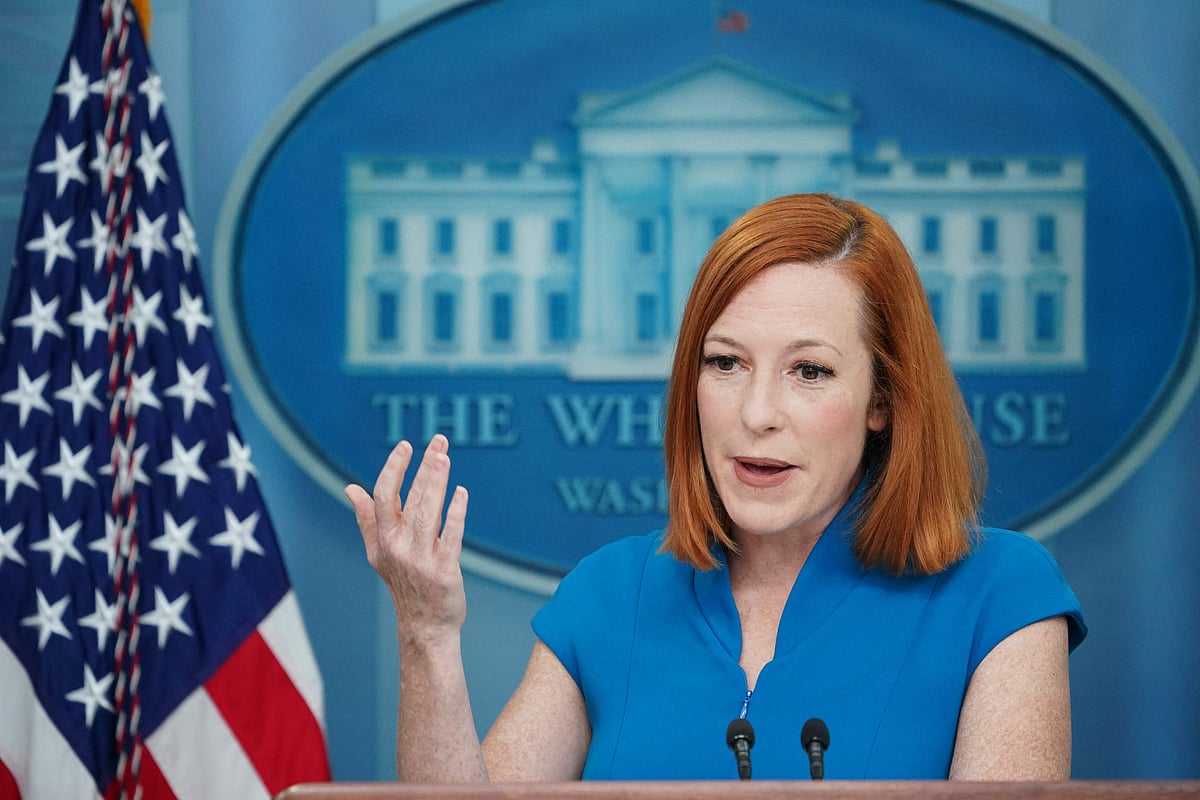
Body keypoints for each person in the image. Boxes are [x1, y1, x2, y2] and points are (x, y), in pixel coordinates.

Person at [346, 193, 1086, 782]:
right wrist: (428, 637)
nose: (757, 414)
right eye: (726, 363)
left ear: (883, 400)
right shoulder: (610, 593)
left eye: (810, 371)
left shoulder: (1002, 595)